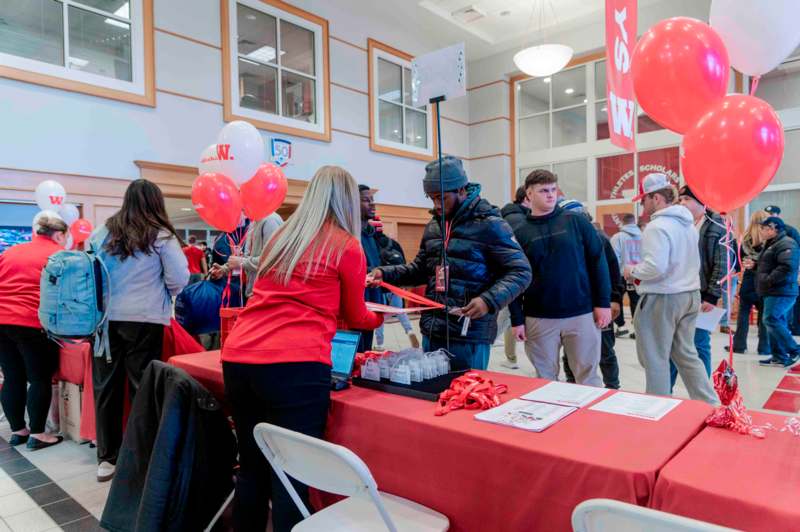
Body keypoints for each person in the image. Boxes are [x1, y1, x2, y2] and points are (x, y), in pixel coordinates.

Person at [221, 166, 382, 532]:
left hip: (240, 358)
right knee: (292, 474)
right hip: (294, 365)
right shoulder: (346, 245)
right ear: (347, 201)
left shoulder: (282, 238)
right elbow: (357, 315)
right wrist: (377, 320)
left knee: (251, 466)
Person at [368, 156, 531, 370]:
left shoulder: (490, 224)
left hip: (468, 333)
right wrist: (385, 273)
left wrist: (488, 300)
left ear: (462, 190)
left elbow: (521, 271)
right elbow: (420, 270)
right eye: (431, 198)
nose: (436, 205)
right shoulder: (434, 226)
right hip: (432, 330)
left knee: (466, 396)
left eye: (442, 198)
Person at [89, 179, 189, 482]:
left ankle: (107, 459)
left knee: (106, 389)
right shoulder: (160, 235)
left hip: (104, 322)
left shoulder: (102, 231)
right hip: (145, 319)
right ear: (156, 202)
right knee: (141, 390)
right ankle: (142, 457)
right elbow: (180, 277)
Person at [506, 170, 610, 386]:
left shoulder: (576, 222)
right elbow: (513, 276)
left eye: (553, 189)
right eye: (544, 190)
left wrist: (603, 303)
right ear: (529, 194)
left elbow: (598, 262)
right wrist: (516, 319)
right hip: (538, 317)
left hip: (581, 313)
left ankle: (591, 418)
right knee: (545, 380)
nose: (551, 195)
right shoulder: (519, 231)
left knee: (588, 377)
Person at [623, 173, 717, 404]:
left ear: (656, 198)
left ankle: (658, 405)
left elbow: (655, 267)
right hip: (689, 295)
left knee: (655, 358)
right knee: (686, 354)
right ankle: (709, 403)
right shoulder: (688, 225)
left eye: (644, 199)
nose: (642, 205)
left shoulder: (657, 227)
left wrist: (632, 271)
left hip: (662, 297)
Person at [0, 213, 67, 450]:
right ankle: (38, 434)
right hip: (31, 321)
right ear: (59, 234)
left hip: (1, 320)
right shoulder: (59, 256)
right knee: (39, 379)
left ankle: (18, 431)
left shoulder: (10, 252)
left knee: (12, 376)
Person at [560, 200, 623, 389]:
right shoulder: (566, 241)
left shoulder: (600, 239)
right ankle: (573, 384)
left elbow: (613, 271)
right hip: (576, 306)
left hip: (599, 304)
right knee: (571, 350)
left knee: (604, 349)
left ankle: (612, 387)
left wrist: (614, 299)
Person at [673, 185, 729, 386]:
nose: (682, 203)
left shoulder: (716, 225)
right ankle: (666, 391)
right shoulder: (682, 224)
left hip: (701, 295)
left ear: (701, 202)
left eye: (686, 199)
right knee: (674, 343)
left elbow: (722, 262)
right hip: (679, 293)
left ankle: (703, 392)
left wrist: (712, 295)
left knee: (699, 343)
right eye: (680, 199)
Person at [756, 216, 800, 367]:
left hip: (782, 290)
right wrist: (755, 265)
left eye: (764, 228)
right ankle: (779, 356)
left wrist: (768, 279)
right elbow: (768, 264)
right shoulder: (772, 244)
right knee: (775, 320)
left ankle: (794, 350)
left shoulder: (787, 243)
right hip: (773, 290)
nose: (761, 231)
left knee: (771, 319)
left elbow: (787, 267)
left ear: (773, 228)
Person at [497, 185, 531, 369]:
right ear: (527, 197)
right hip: (514, 279)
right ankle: (509, 356)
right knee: (507, 317)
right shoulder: (520, 220)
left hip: (512, 279)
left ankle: (510, 358)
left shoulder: (510, 217)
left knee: (509, 316)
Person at [211, 213, 283, 298]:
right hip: (255, 292)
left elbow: (274, 260)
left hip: (267, 294)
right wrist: (224, 269)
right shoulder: (254, 223)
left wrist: (241, 262)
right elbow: (247, 258)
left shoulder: (270, 220)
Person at [373, 221, 420, 349]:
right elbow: (404, 265)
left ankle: (380, 344)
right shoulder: (393, 244)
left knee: (379, 315)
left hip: (380, 285)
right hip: (395, 285)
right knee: (401, 312)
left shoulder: (372, 243)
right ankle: (409, 331)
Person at [731, 210, 771, 355]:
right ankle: (764, 347)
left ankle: (739, 346)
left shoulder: (746, 239)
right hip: (763, 280)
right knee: (763, 316)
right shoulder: (769, 240)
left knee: (743, 314)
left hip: (748, 280)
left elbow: (741, 259)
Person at [355, 184, 385, 353]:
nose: (372, 204)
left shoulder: (371, 234)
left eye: (372, 200)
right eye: (366, 200)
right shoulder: (350, 233)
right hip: (357, 306)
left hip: (373, 304)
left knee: (366, 354)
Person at [764, 205, 800, 336]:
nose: (770, 217)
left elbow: (793, 257)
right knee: (773, 317)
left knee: (781, 314)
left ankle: (791, 342)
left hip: (786, 278)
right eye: (768, 214)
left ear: (778, 215)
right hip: (773, 280)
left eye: (772, 214)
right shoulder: (767, 235)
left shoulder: (790, 231)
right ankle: (779, 352)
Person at [610, 213, 642, 337]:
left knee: (617, 299)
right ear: (634, 222)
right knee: (637, 301)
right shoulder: (644, 236)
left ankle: (621, 326)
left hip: (622, 274)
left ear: (622, 222)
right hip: (639, 274)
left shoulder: (617, 237)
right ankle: (637, 329)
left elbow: (614, 258)